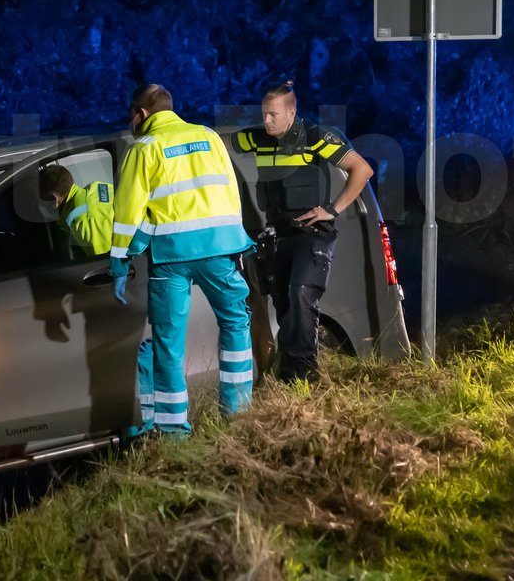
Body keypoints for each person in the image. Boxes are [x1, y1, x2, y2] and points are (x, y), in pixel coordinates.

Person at [108, 83, 254, 436]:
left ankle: (174, 432)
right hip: (219, 249)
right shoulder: (208, 136)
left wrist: (119, 260)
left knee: (168, 343)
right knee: (235, 325)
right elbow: (228, 191)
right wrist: (236, 241)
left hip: (171, 257)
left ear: (141, 114)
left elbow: (128, 212)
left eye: (131, 116)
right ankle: (238, 417)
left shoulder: (144, 148)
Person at [231, 81, 373, 383]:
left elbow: (362, 169)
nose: (266, 120)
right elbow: (216, 144)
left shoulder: (315, 136)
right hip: (277, 236)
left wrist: (332, 210)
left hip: (311, 233)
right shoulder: (256, 138)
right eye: (264, 114)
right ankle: (291, 378)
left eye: (273, 115)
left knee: (300, 295)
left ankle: (303, 377)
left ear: (292, 112)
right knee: (284, 305)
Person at [38, 164, 115, 256]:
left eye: (40, 200)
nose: (39, 204)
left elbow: (102, 264)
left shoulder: (82, 225)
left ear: (54, 199)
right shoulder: (97, 186)